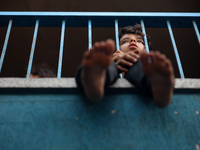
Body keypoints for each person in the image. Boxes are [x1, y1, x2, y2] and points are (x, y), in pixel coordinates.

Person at [75, 24, 174, 107]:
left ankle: (157, 86)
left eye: (139, 41)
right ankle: (95, 79)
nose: (133, 41)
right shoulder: (109, 62)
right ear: (118, 47)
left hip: (141, 73)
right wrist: (111, 62)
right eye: (125, 41)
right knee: (104, 64)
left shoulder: (146, 66)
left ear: (145, 49)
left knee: (137, 64)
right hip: (110, 73)